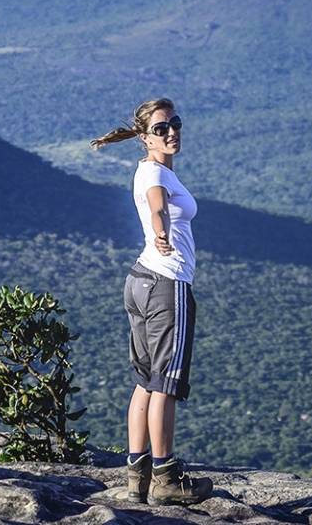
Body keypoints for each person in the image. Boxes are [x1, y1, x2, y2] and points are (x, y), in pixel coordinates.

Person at [90, 98, 215, 506]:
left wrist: (159, 231)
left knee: (145, 381)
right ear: (145, 137)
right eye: (161, 129)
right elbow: (158, 205)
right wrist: (161, 232)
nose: (172, 132)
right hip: (166, 284)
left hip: (140, 280)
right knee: (165, 384)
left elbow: (157, 200)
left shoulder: (147, 168)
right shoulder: (156, 174)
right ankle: (165, 478)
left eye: (175, 123)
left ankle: (136, 476)